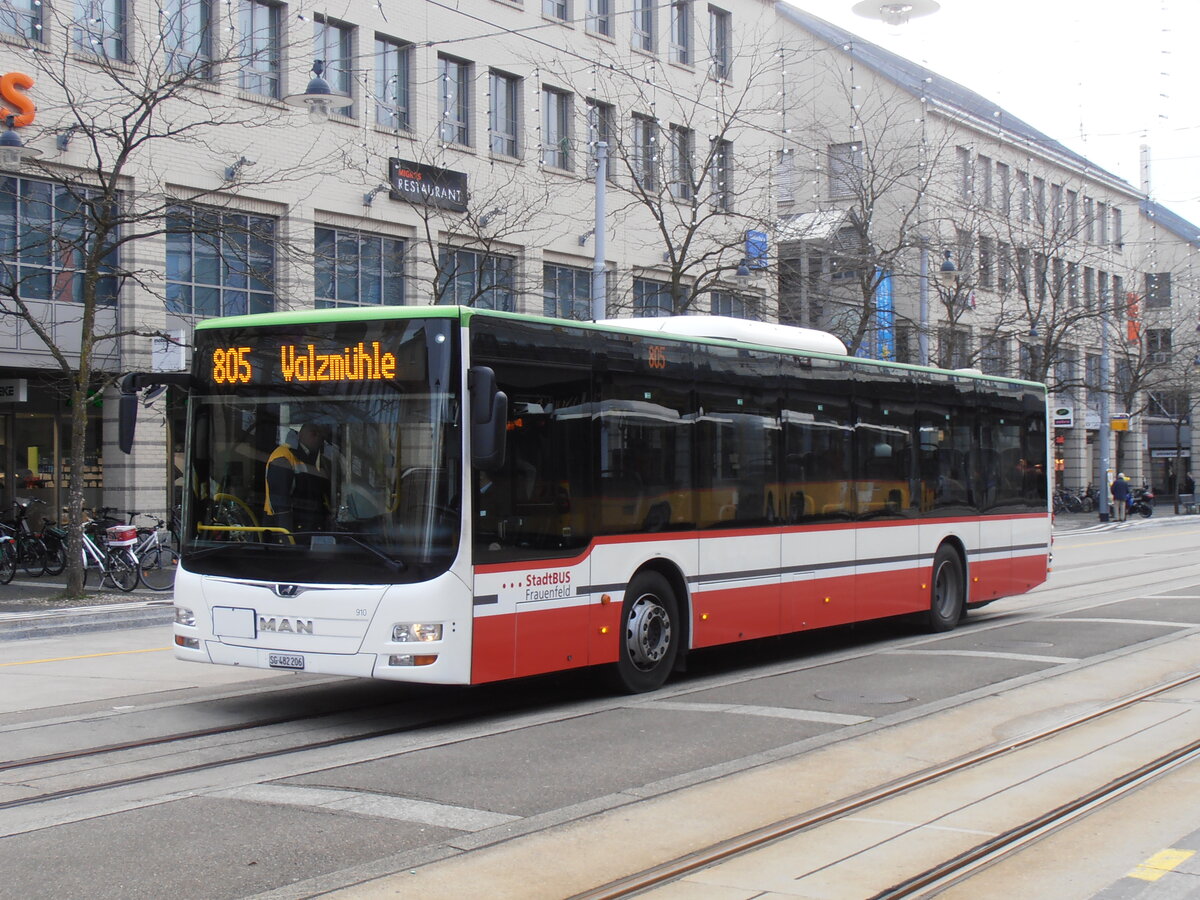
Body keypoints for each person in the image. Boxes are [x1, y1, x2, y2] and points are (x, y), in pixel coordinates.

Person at [264, 423, 331, 537]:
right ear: (313, 435)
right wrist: (286, 540)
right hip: (287, 531)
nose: (321, 445)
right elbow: (281, 504)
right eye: (322, 440)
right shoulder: (283, 458)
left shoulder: (308, 456)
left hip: (304, 528)